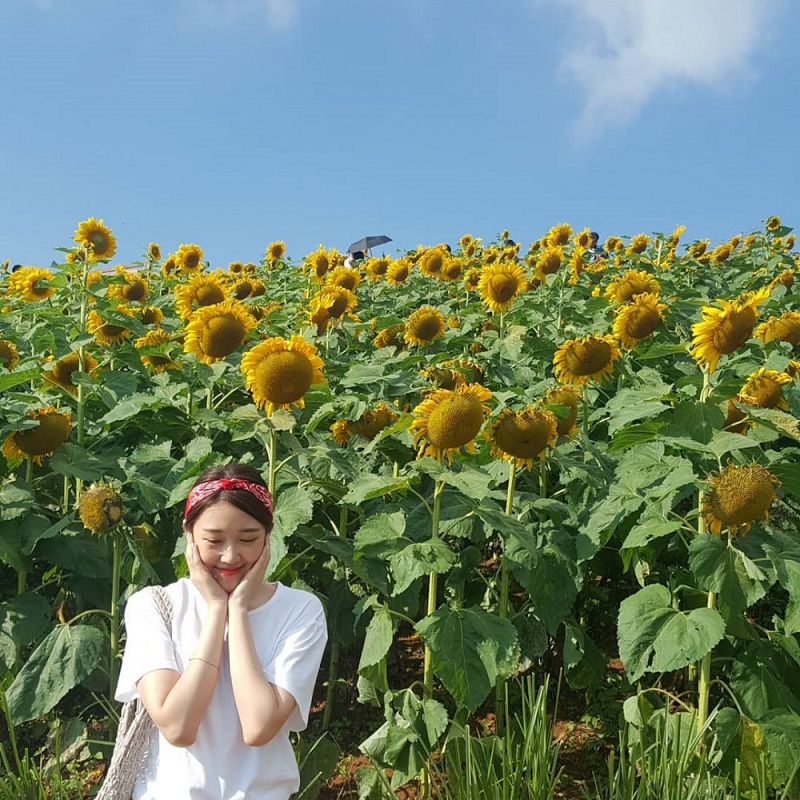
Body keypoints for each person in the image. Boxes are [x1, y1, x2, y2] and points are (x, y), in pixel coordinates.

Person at [115, 463, 328, 799]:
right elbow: (178, 727)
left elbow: (258, 726)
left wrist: (238, 610)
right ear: (188, 534)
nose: (231, 556)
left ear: (268, 536)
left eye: (248, 539)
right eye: (214, 540)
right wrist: (217, 611)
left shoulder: (300, 611)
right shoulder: (152, 607)